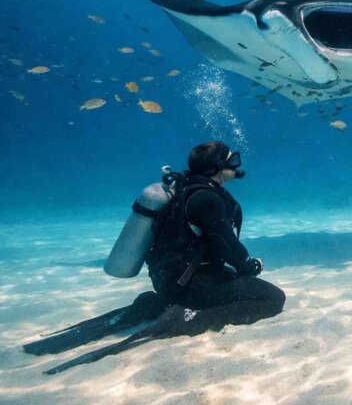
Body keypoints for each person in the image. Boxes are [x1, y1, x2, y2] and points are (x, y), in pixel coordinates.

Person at [26, 142, 285, 374]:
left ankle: (154, 303)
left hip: (165, 280)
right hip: (189, 286)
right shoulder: (208, 198)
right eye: (233, 160)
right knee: (273, 297)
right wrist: (250, 265)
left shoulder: (182, 189)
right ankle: (192, 317)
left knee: (226, 279)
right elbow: (227, 246)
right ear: (218, 167)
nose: (236, 166)